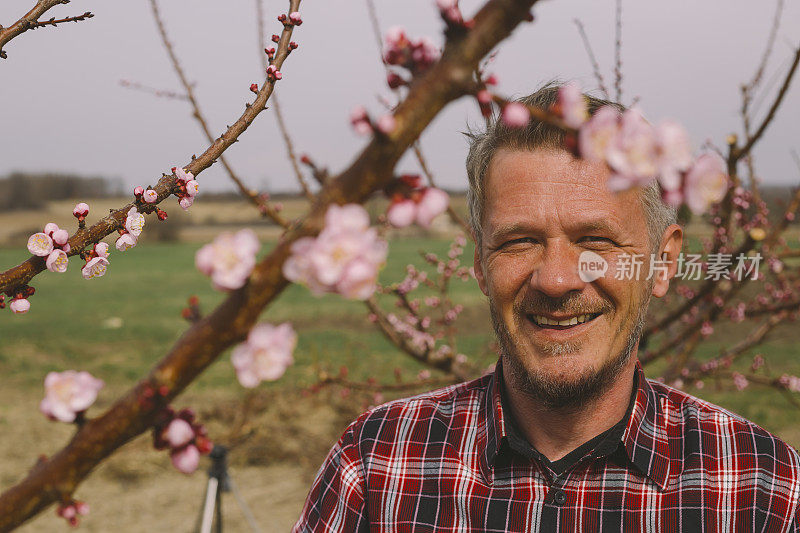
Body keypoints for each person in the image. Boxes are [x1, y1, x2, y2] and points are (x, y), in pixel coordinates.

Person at [293, 84, 800, 531]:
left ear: (663, 263)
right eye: (520, 242)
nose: (556, 279)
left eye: (596, 241)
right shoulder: (378, 465)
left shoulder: (761, 489)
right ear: (480, 264)